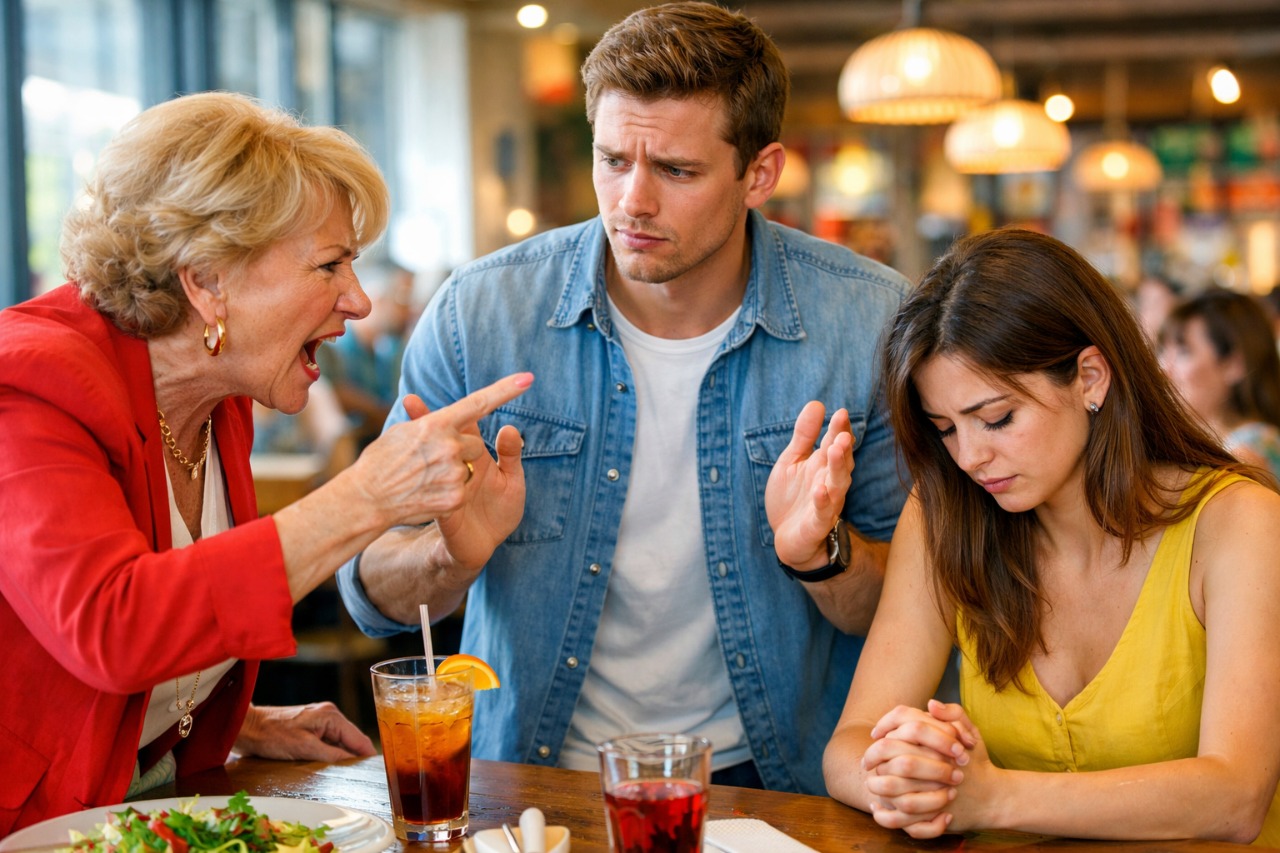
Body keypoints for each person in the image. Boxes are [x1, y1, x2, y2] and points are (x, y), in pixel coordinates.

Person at [338, 1, 910, 794]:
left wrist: (821, 553)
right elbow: (370, 592)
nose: (631, 202)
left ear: (761, 173)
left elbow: (908, 611)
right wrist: (449, 553)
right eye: (612, 160)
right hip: (536, 776)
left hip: (773, 780)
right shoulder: (481, 316)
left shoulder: (869, 321)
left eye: (675, 171)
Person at [0, 91, 532, 832]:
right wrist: (367, 494)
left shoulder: (225, 393)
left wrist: (240, 720)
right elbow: (112, 625)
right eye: (330, 264)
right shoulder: (31, 382)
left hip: (143, 802)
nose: (359, 300)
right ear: (208, 279)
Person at [817, 228, 1280, 843]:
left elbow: (1235, 796)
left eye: (997, 418)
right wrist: (905, 775)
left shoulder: (1239, 523)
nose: (971, 458)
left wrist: (994, 798)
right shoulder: (945, 514)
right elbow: (847, 748)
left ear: (1090, 377)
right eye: (946, 429)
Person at [1159, 289, 1280, 483]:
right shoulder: (1243, 443)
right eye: (1163, 351)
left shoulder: (1245, 456)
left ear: (1233, 365)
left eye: (1183, 352)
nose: (1164, 369)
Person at [318, 261, 416, 449]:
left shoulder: (387, 351)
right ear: (378, 300)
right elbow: (332, 392)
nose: (409, 310)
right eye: (403, 300)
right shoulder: (339, 346)